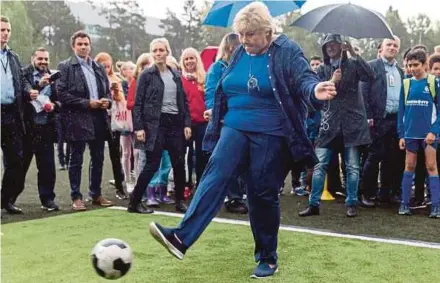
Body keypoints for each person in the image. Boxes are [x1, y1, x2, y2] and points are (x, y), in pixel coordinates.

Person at [148, 2, 337, 279]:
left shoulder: (286, 51)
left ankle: (267, 257)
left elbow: (303, 79)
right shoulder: (240, 51)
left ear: (267, 31)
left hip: (271, 131)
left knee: (261, 193)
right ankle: (181, 238)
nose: (245, 40)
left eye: (250, 35)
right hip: (234, 126)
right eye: (241, 34)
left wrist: (315, 90)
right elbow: (228, 83)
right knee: (215, 175)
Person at [299, 33, 374, 218]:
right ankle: (313, 204)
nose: (330, 47)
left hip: (352, 124)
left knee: (352, 167)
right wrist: (332, 81)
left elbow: (370, 75)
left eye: (334, 44)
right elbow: (314, 94)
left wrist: (354, 54)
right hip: (329, 124)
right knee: (320, 165)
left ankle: (351, 203)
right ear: (324, 49)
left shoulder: (353, 64)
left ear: (341, 46)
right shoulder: (322, 69)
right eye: (327, 45)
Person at [128, 38, 192, 214]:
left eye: (161, 50)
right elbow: (138, 103)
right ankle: (134, 202)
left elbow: (183, 102)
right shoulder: (146, 75)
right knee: (152, 164)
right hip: (155, 125)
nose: (157, 53)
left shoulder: (176, 75)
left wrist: (187, 123)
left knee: (179, 164)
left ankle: (179, 201)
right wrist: (139, 127)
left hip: (175, 124)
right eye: (154, 50)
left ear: (167, 52)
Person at [57, 30, 113, 211]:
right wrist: (88, 103)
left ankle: (95, 194)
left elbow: (107, 92)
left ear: (90, 46)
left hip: (99, 118)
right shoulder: (65, 67)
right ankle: (76, 197)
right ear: (73, 47)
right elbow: (62, 95)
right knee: (77, 159)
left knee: (98, 158)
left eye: (86, 44)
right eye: (79, 44)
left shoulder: (99, 67)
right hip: (78, 118)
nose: (83, 47)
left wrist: (107, 101)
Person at [204, 32, 248, 214]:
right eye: (236, 46)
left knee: (241, 160)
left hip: (242, 118)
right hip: (224, 120)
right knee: (226, 160)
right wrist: (215, 112)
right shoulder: (217, 68)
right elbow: (211, 92)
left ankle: (239, 194)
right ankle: (233, 197)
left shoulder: (244, 67)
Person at [360, 36, 405, 207]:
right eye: (389, 44)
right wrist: (368, 116)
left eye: (395, 45)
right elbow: (363, 93)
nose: (392, 47)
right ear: (382, 47)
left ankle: (386, 193)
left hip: (395, 121)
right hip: (376, 120)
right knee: (373, 157)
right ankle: (366, 193)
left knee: (393, 159)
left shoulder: (400, 71)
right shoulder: (372, 66)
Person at [397, 49, 440, 218]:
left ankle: (436, 206)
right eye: (409, 65)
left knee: (431, 166)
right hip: (410, 134)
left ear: (424, 65)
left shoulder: (433, 83)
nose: (412, 68)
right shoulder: (406, 84)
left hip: (428, 135)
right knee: (409, 166)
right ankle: (404, 204)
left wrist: (434, 131)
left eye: (416, 65)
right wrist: (401, 134)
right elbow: (401, 112)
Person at [1, 15, 34, 214]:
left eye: (7, 30)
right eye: (1, 29)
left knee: (16, 161)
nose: (5, 33)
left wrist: (29, 91)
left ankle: (5, 200)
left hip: (12, 114)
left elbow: (22, 81)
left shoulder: (13, 57)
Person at [22, 47, 61, 211]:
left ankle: (47, 199)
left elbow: (61, 101)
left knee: (47, 167)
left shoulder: (54, 77)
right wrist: (39, 85)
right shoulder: (24, 74)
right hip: (27, 128)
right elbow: (22, 95)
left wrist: (54, 105)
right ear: (33, 59)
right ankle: (8, 199)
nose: (43, 62)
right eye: (40, 59)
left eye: (46, 59)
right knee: (19, 166)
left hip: (46, 127)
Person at [95, 52, 128, 200]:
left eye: (108, 66)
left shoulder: (115, 78)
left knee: (115, 155)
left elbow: (120, 99)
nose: (106, 69)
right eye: (103, 66)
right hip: (98, 119)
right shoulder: (94, 78)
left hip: (113, 120)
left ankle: (120, 187)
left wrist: (114, 90)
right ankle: (95, 190)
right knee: (97, 156)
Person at [180, 47, 208, 190]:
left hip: (203, 122)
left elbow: (208, 98)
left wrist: (199, 81)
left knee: (202, 154)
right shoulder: (179, 79)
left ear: (197, 60)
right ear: (182, 61)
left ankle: (201, 184)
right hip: (187, 123)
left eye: (192, 58)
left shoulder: (205, 78)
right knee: (187, 154)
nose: (189, 61)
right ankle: (186, 184)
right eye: (186, 58)